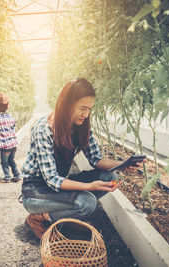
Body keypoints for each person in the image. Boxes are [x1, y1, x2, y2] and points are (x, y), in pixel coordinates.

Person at [20, 78, 143, 239]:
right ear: (67, 104)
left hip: (57, 187)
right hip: (36, 192)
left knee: (109, 176)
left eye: (90, 109)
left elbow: (97, 159)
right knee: (87, 203)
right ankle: (38, 218)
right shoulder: (44, 129)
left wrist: (122, 164)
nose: (86, 114)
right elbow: (51, 180)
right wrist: (89, 186)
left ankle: (66, 217)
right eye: (83, 108)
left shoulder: (81, 126)